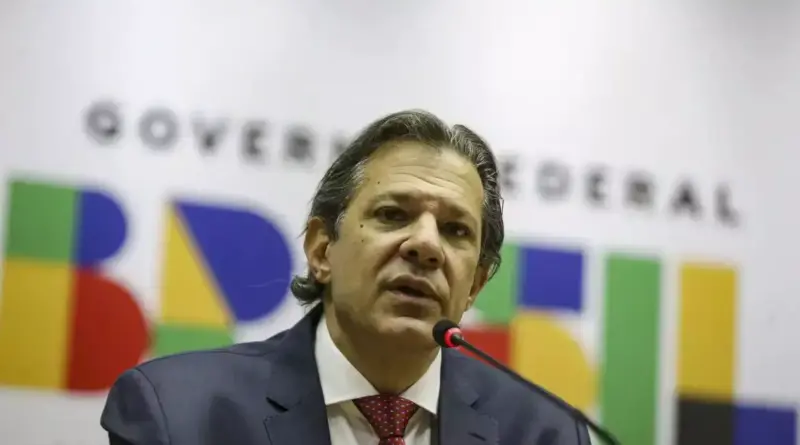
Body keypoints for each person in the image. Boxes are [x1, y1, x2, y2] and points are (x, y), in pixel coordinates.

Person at [100, 110, 592, 445]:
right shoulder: (180, 414)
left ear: (476, 286)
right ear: (322, 250)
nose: (426, 245)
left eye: (455, 230)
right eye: (393, 214)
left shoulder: (545, 434)